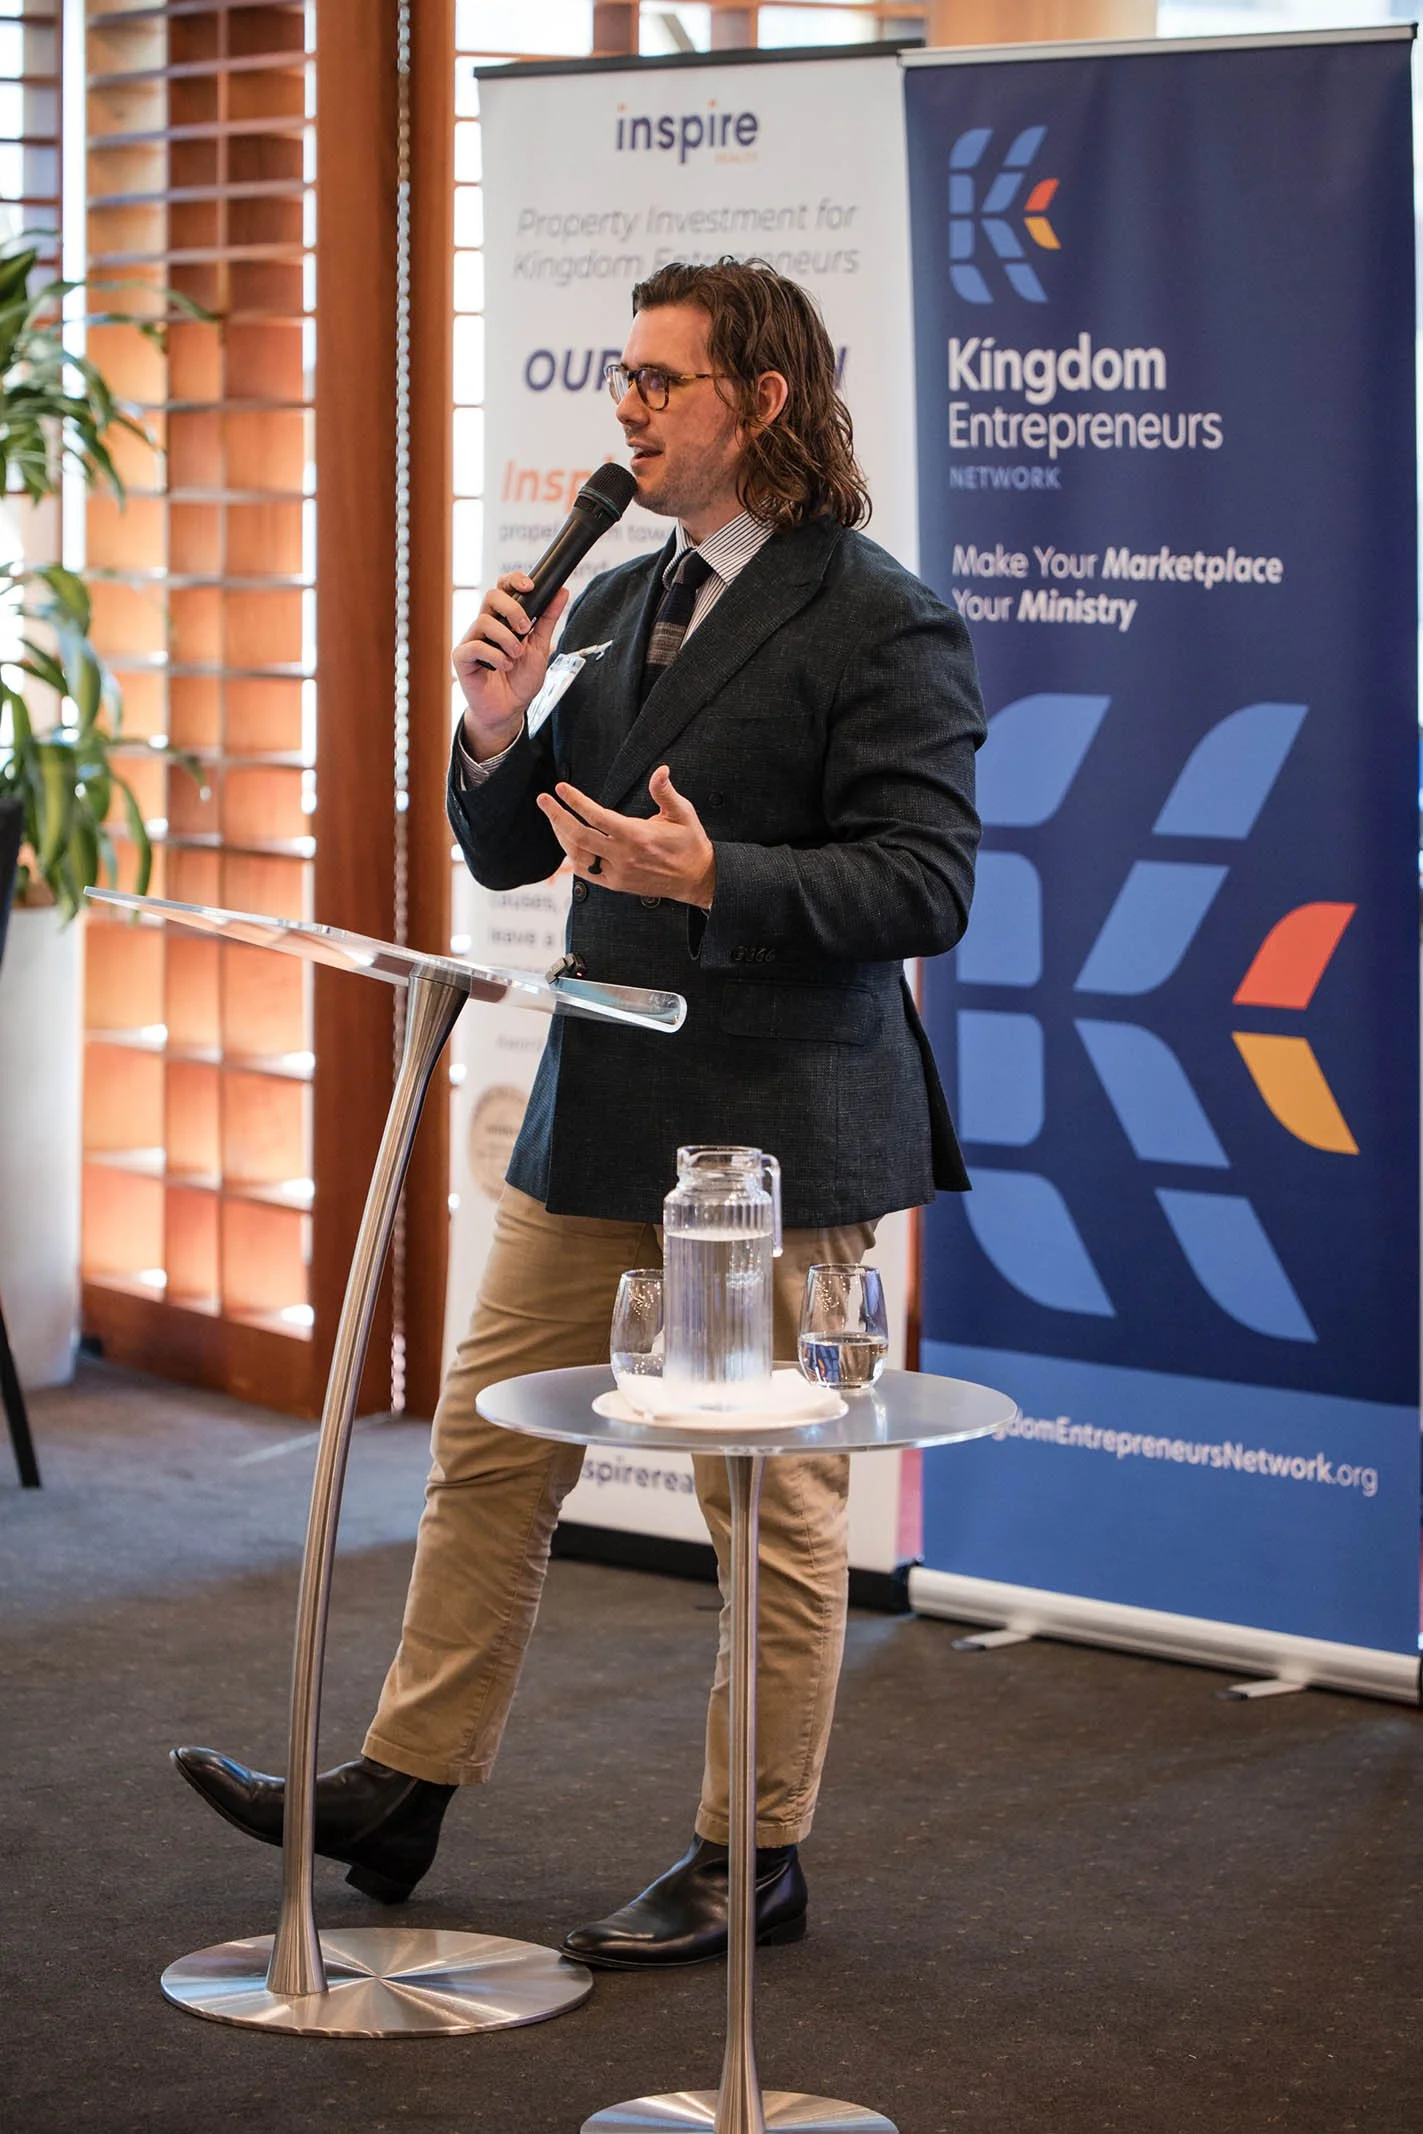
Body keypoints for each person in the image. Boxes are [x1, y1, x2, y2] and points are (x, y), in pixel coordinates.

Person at [173, 258, 985, 1968]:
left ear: (763, 402)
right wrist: (490, 727)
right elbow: (513, 850)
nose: (626, 408)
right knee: (489, 1442)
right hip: (601, 1094)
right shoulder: (616, 590)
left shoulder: (877, 615)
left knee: (767, 1508)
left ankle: (748, 1854)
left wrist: (716, 874)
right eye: (622, 378)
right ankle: (403, 1785)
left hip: (773, 1131)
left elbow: (925, 884)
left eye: (660, 382)